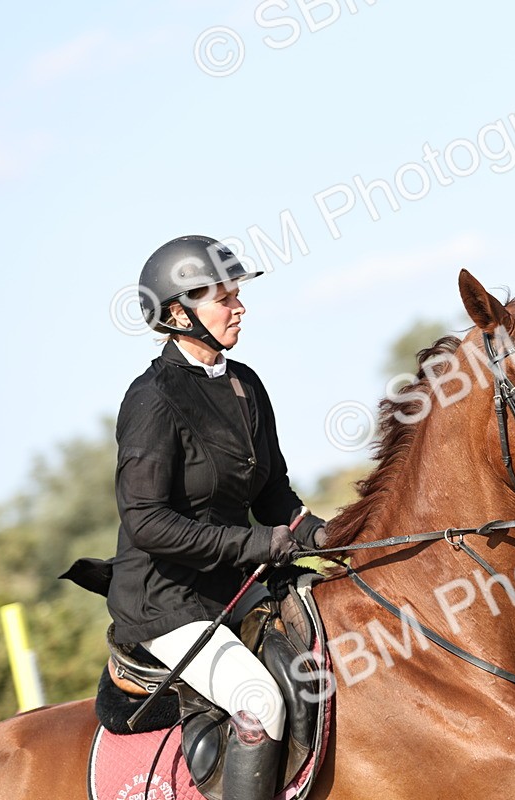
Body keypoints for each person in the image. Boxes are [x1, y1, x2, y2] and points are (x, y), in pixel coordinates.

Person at [107, 234, 325, 800]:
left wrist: (331, 537)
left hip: (237, 587)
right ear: (179, 313)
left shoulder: (245, 383)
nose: (239, 307)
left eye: (236, 295)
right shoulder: (152, 399)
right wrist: (258, 545)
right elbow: (147, 523)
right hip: (167, 603)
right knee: (259, 701)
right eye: (223, 298)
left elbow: (275, 497)